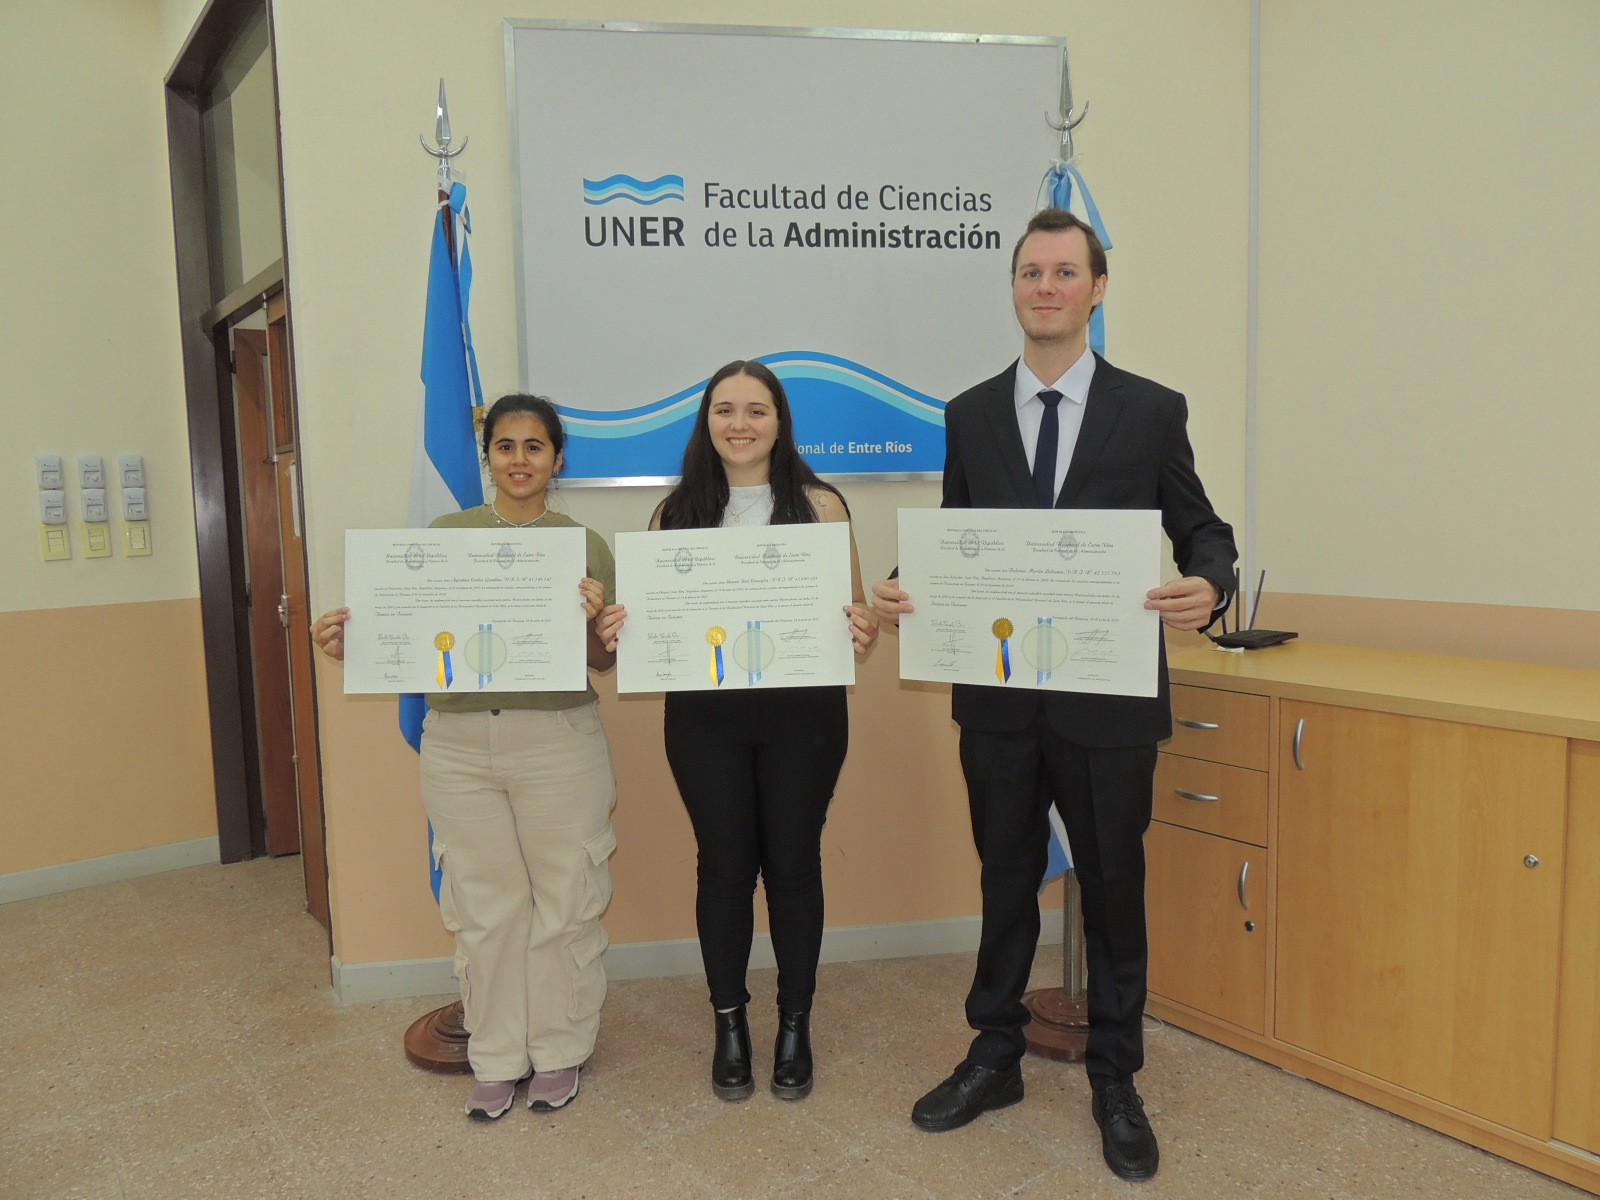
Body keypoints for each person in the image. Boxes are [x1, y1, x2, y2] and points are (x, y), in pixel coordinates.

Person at [872, 209, 1236, 1181]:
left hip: (1108, 702)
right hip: (998, 701)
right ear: (1014, 288)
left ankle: (1116, 1077)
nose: (1046, 286)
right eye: (1031, 271)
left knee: (1114, 890)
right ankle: (994, 1055)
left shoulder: (1151, 410)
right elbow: (959, 533)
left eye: (1065, 272)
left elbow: (1202, 529)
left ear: (1096, 289)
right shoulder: (970, 413)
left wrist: (1210, 581)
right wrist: (907, 583)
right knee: (1003, 881)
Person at [311, 394, 620, 1120]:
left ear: (557, 459)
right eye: (505, 446)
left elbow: (604, 661)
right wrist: (356, 642)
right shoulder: (444, 537)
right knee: (484, 907)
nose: (520, 460)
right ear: (488, 458)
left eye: (534, 446)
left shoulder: (584, 545)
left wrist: (592, 620)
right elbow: (410, 637)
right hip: (456, 747)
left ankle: (561, 1050)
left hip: (559, 741)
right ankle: (498, 1055)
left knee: (566, 900)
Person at [595, 360, 878, 1102]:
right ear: (707, 422)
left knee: (793, 865)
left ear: (780, 422)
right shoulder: (673, 512)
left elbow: (853, 612)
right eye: (725, 409)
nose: (741, 423)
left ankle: (794, 1025)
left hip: (805, 716)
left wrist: (863, 627)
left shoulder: (822, 505)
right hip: (704, 720)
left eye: (757, 409)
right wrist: (626, 627)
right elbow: (652, 622)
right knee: (723, 867)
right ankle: (729, 1024)